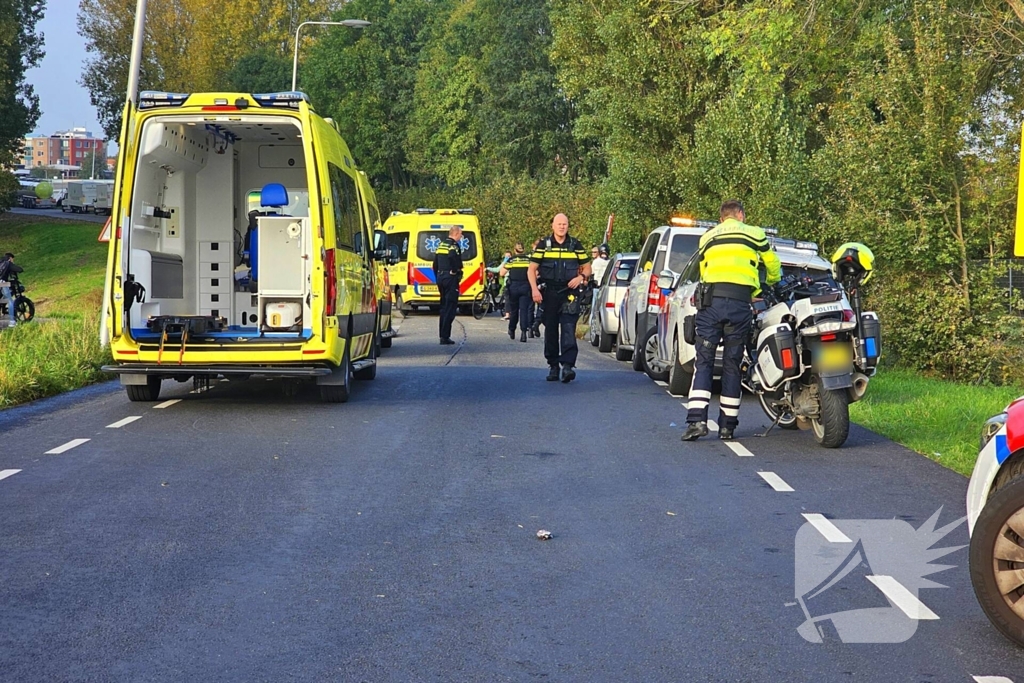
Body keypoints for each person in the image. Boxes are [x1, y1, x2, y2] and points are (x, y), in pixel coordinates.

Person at [681, 200, 781, 441]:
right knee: (732, 364)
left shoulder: (708, 237)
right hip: (739, 305)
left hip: (712, 304)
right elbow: (773, 264)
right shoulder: (755, 234)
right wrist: (768, 285)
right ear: (741, 215)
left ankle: (696, 422)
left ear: (722, 218)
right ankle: (727, 427)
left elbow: (704, 271)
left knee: (703, 361)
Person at [528, 214, 592, 382]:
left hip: (569, 293)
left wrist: (580, 278)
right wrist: (535, 290)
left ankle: (568, 366)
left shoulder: (575, 244)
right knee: (550, 330)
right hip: (549, 292)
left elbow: (587, 267)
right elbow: (531, 269)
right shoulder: (544, 245)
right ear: (553, 226)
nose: (562, 227)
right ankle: (553, 366)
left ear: (568, 226)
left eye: (565, 224)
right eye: (559, 224)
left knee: (569, 328)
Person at [432, 226, 463, 345]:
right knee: (451, 306)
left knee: (444, 307)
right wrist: (454, 270)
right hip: (450, 278)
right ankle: (445, 336)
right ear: (456, 233)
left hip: (441, 277)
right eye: (461, 234)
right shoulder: (453, 245)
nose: (461, 236)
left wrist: (438, 276)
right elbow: (452, 256)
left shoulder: (441, 245)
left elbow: (435, 264)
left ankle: (442, 335)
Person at [500, 242, 533, 342]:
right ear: (524, 249)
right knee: (524, 310)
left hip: (513, 287)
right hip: (525, 286)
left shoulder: (512, 260)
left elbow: (502, 272)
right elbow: (535, 272)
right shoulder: (528, 260)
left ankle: (512, 329)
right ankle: (523, 333)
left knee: (514, 311)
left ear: (515, 250)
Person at [0, 253, 23, 327]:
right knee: (10, 301)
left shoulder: (1, 262)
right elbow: (19, 269)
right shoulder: (8, 263)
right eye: (13, 259)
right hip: (2, 283)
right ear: (10, 258)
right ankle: (12, 322)